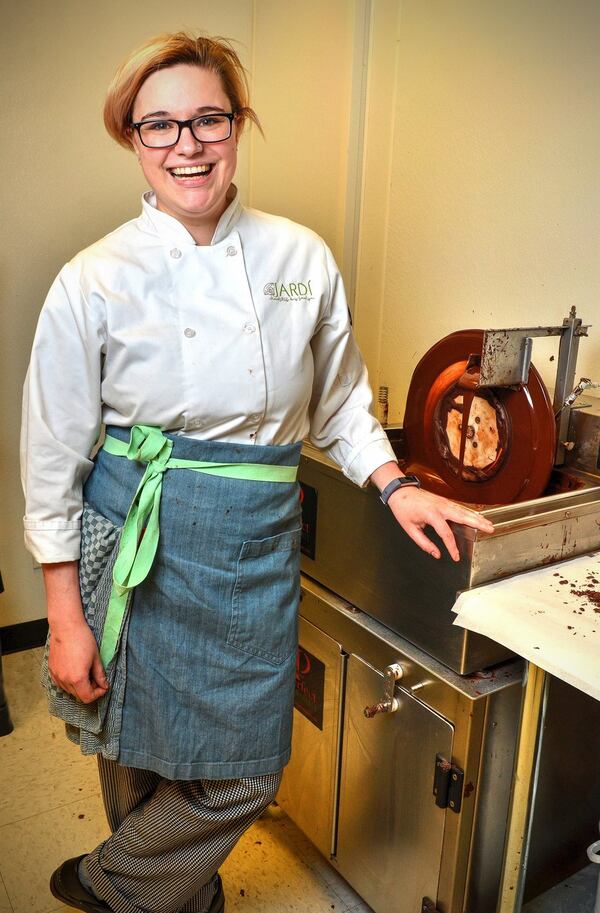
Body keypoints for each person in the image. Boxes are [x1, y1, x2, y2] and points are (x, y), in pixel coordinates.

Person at [20, 32, 493, 913]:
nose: (186, 144)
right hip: (135, 534)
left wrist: (396, 481)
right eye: (159, 125)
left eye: (208, 117)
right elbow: (51, 453)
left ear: (239, 126)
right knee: (133, 742)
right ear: (132, 137)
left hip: (253, 547)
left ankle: (114, 883)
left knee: (244, 767)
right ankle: (182, 898)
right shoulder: (94, 278)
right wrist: (63, 616)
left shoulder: (298, 258)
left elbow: (343, 400)